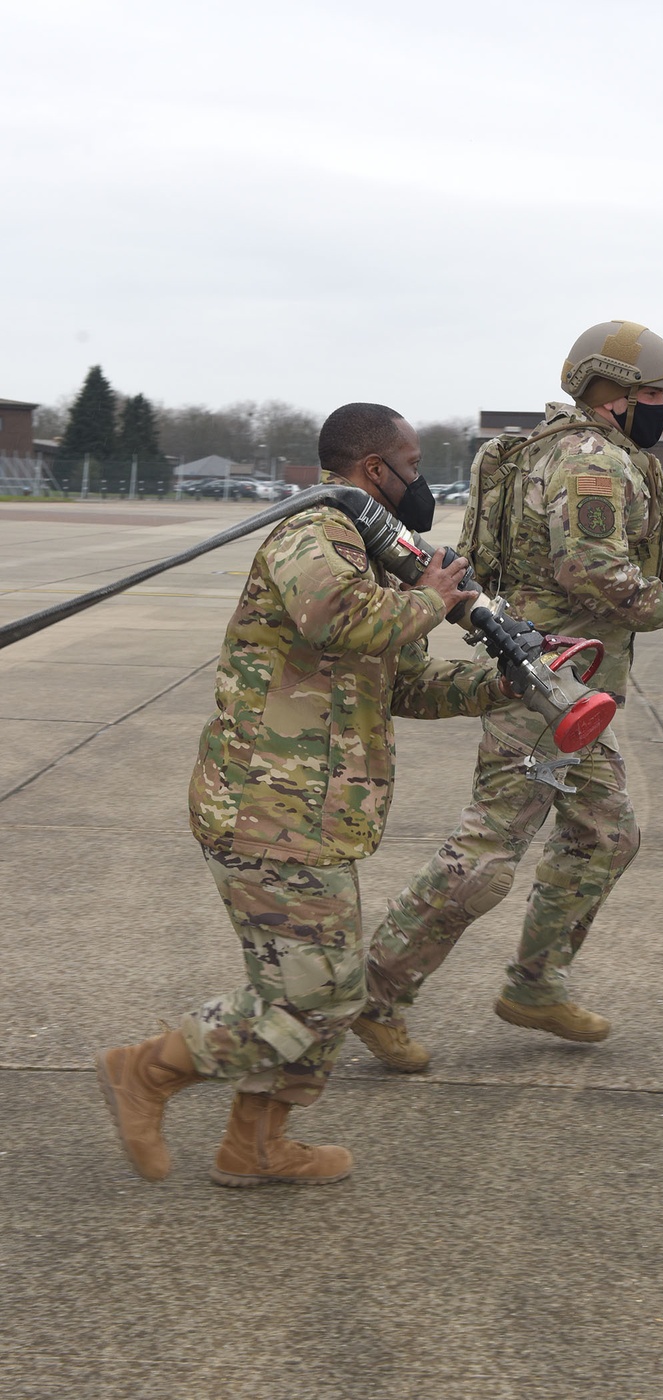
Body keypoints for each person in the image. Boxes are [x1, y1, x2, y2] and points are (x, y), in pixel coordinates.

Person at [96, 403, 513, 1187]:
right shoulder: (312, 535)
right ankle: (146, 1071)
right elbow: (339, 621)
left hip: (313, 813)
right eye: (413, 465)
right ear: (372, 469)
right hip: (265, 805)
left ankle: (254, 1146)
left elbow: (408, 684)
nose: (421, 483)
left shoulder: (371, 556)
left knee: (322, 989)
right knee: (315, 997)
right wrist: (431, 595)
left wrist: (512, 682)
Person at [353, 321, 663, 1072]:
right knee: (486, 854)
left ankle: (536, 983)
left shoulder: (536, 449)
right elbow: (592, 572)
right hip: (548, 687)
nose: (660, 405)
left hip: (572, 690)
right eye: (651, 392)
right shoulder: (594, 462)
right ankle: (374, 996)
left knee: (606, 834)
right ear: (610, 393)